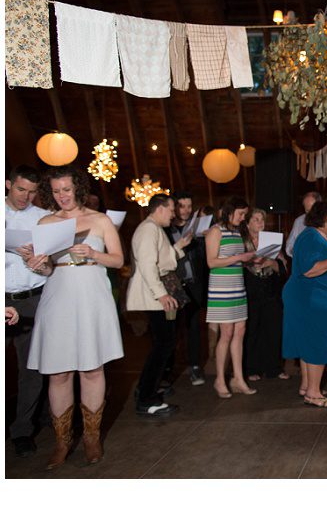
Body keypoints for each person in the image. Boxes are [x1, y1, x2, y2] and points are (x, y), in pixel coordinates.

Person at [26, 165, 124, 469]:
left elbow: (118, 260)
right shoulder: (45, 222)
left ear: (77, 188)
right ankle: (62, 442)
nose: (61, 196)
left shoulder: (100, 220)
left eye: (66, 189)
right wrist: (35, 264)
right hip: (58, 296)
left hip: (92, 294)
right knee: (58, 372)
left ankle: (92, 438)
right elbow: (47, 269)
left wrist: (93, 254)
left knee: (92, 369)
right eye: (55, 191)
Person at [282, 200, 327, 408]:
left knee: (308, 342)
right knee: (317, 342)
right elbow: (308, 270)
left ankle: (307, 386)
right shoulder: (311, 236)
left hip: (316, 298)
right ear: (320, 217)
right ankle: (313, 393)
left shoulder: (319, 236)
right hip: (312, 299)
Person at [127, 194, 191, 417]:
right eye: (172, 209)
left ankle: (145, 391)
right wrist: (162, 295)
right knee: (163, 345)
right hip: (156, 296)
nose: (174, 214)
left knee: (163, 344)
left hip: (158, 294)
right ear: (160, 209)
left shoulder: (153, 229)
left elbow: (162, 260)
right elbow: (147, 265)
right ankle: (146, 397)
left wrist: (179, 246)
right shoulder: (148, 230)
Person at [5, 165, 49, 458]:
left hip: (33, 299)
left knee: (31, 368)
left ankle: (22, 430)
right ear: (8, 184)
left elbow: (50, 267)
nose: (26, 196)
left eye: (32, 191)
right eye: (21, 189)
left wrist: (39, 260)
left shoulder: (41, 218)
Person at [206, 196, 257, 398]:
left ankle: (238, 378)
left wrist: (251, 260)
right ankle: (219, 379)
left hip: (237, 286)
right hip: (221, 288)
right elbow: (212, 262)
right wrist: (239, 257)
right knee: (226, 333)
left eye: (245, 214)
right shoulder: (215, 231)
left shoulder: (237, 232)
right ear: (229, 211)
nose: (243, 218)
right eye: (241, 214)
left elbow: (235, 261)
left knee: (240, 332)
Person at [241, 208, 290, 381]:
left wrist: (271, 262)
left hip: (271, 291)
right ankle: (251, 368)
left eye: (262, 219)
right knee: (252, 330)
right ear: (247, 224)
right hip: (250, 290)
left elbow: (284, 268)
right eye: (255, 219)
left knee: (274, 329)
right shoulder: (242, 242)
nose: (260, 222)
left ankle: (274, 368)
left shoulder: (272, 241)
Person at [166, 190, 208, 387]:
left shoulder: (197, 231)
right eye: (182, 206)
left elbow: (202, 259)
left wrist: (204, 239)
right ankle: (167, 370)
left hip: (194, 284)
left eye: (189, 206)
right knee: (171, 329)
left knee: (194, 328)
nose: (186, 210)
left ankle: (194, 366)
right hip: (173, 286)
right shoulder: (165, 230)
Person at [286, 191, 321, 258]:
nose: (310, 214)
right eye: (307, 211)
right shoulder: (299, 221)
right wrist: (294, 250)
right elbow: (289, 245)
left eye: (312, 210)